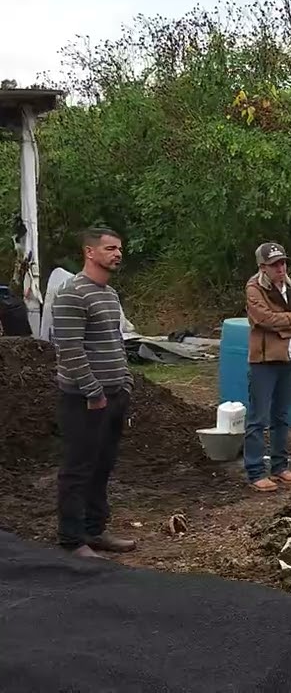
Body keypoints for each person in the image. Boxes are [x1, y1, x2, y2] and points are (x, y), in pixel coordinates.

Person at [50, 228, 136, 558]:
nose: (118, 254)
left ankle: (95, 529)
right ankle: (72, 540)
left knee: (102, 465)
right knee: (78, 469)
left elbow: (115, 343)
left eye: (119, 248)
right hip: (84, 400)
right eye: (110, 248)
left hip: (115, 395)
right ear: (89, 252)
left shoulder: (109, 295)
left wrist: (125, 382)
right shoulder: (73, 294)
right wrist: (93, 391)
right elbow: (69, 349)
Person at [243, 242, 291, 492]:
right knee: (258, 417)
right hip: (264, 360)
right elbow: (264, 319)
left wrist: (285, 325)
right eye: (275, 264)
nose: (281, 267)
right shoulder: (254, 288)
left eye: (283, 262)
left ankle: (280, 466)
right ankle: (254, 471)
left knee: (281, 416)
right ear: (263, 267)